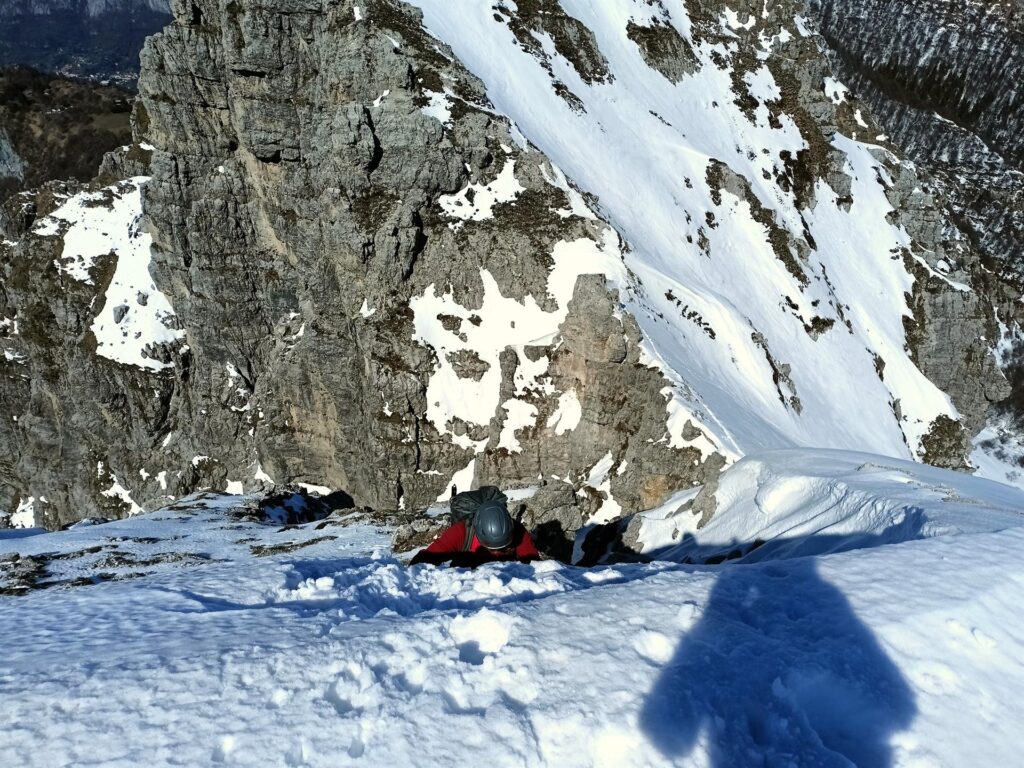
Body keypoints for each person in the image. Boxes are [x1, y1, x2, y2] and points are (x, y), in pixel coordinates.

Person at [410, 498, 540, 567]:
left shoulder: (518, 532)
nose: (496, 553)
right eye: (490, 548)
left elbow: (536, 567)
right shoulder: (461, 533)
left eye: (504, 548)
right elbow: (422, 561)